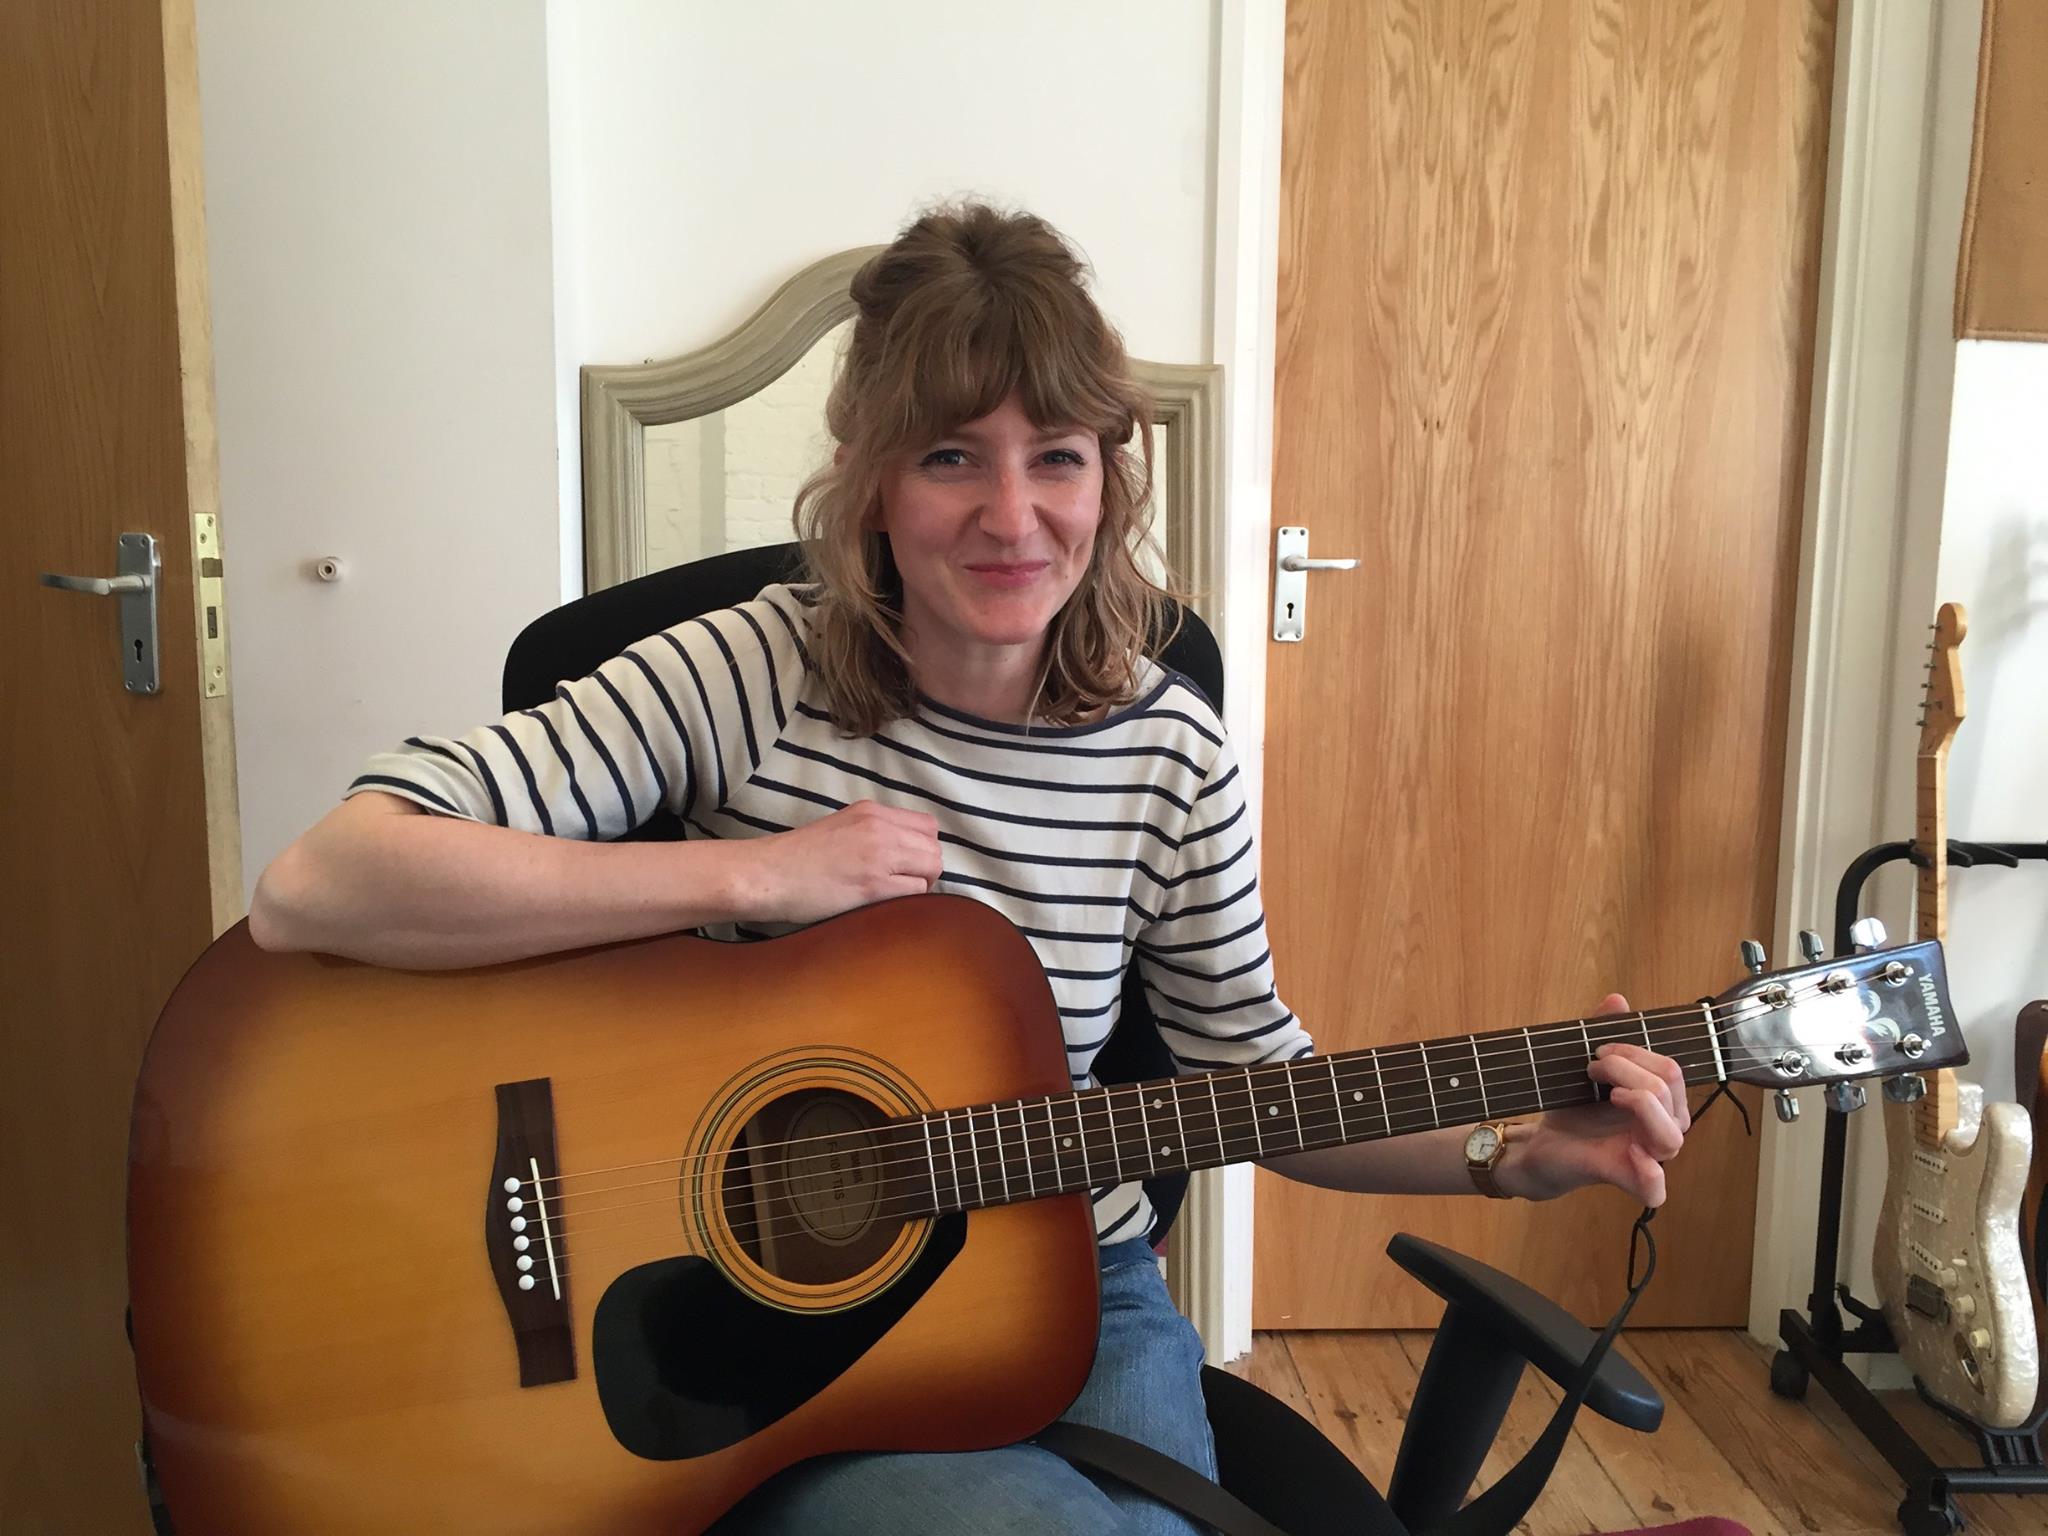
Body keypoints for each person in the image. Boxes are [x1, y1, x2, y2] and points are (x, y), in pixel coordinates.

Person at [250, 202, 1693, 1536]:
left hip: (1073, 1282)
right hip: (735, 1313)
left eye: (1056, 456)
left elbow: (1256, 1081)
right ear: (872, 478)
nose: (1013, 518)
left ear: (1108, 479)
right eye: (952, 457)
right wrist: (752, 881)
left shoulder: (1170, 757)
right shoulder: (750, 670)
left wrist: (1508, 1157)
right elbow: (320, 886)